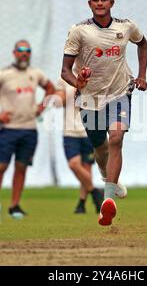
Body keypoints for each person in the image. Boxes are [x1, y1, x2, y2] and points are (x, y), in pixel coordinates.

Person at [61, 0, 147, 226]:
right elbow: (65, 71)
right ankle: (108, 177)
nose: (100, 3)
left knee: (116, 139)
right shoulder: (79, 31)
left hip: (120, 93)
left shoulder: (126, 26)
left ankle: (107, 203)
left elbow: (143, 44)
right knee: (100, 149)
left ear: (112, 2)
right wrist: (78, 82)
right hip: (90, 98)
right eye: (95, 0)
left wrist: (141, 75)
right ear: (89, 4)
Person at [0, 40, 54, 219]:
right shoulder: (3, 74)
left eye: (28, 51)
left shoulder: (35, 73)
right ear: (14, 53)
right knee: (0, 167)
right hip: (8, 129)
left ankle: (15, 206)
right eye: (21, 50)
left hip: (29, 129)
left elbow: (50, 87)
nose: (24, 54)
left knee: (21, 168)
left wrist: (41, 107)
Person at [55, 78, 103, 214]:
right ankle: (95, 192)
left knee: (86, 168)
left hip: (88, 129)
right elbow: (58, 102)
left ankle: (81, 203)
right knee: (74, 164)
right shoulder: (64, 79)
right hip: (70, 131)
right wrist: (63, 95)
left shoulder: (94, 76)